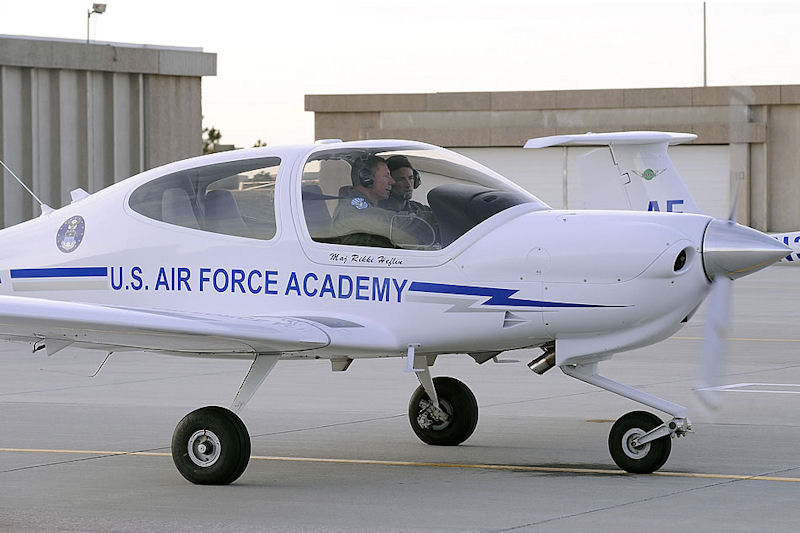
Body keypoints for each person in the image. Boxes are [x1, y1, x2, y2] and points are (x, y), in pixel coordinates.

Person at [381, 155, 439, 240]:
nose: (408, 185)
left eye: (411, 178)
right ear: (389, 182)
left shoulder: (420, 209)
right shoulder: (380, 211)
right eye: (401, 179)